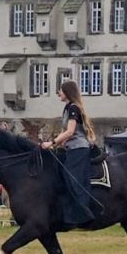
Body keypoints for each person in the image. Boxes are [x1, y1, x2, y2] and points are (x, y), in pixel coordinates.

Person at [40, 80, 96, 226]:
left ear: (68, 92)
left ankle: (82, 213)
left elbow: (70, 132)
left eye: (61, 91)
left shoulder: (73, 108)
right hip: (71, 148)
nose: (59, 93)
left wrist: (52, 143)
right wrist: (57, 144)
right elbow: (65, 132)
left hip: (79, 148)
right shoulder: (68, 108)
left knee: (71, 177)